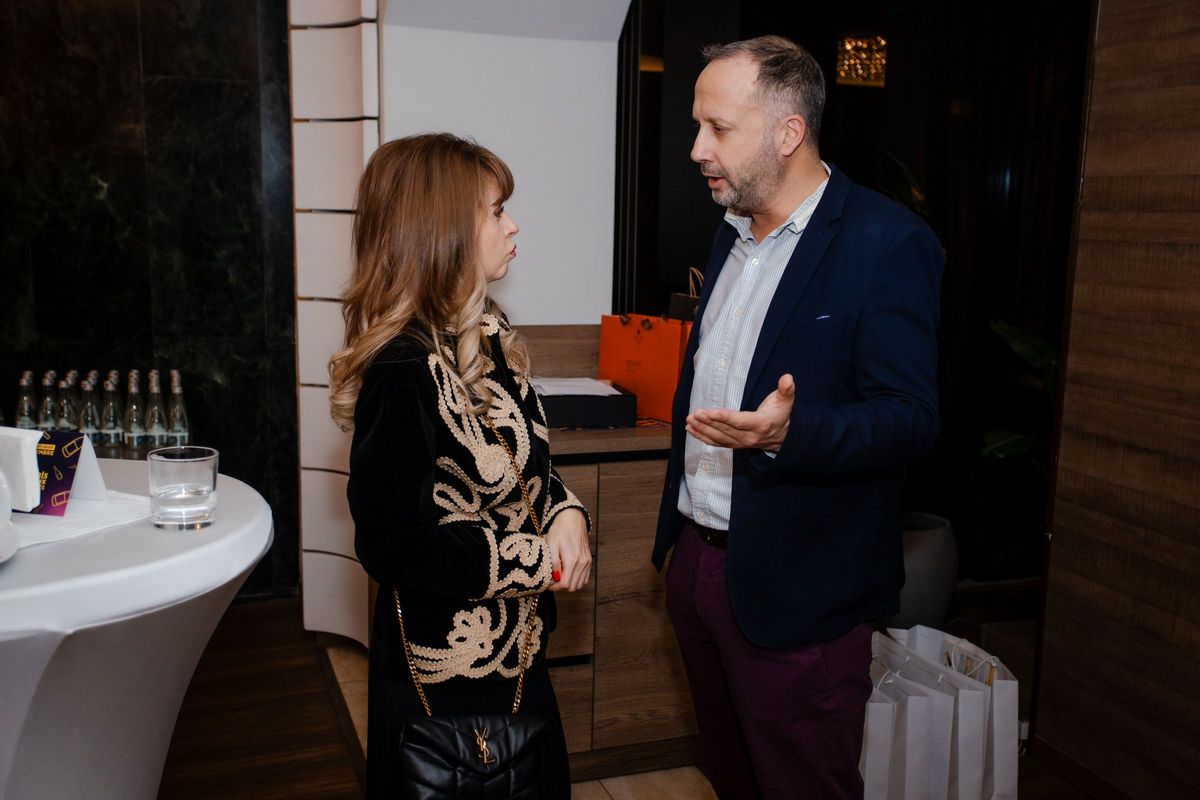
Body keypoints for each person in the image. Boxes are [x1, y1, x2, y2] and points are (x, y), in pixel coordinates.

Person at [652, 36, 943, 798]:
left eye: (718, 128)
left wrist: (793, 433)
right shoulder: (730, 232)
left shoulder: (886, 243)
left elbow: (910, 418)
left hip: (800, 593)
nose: (696, 149)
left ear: (788, 133)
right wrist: (681, 555)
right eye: (697, 125)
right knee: (732, 778)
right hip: (699, 568)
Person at [330, 132, 592, 799]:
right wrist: (540, 561)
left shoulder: (486, 335)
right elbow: (396, 547)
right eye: (497, 211)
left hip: (519, 663)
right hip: (446, 686)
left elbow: (525, 468)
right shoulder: (402, 368)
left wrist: (567, 513)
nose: (514, 225)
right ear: (444, 232)